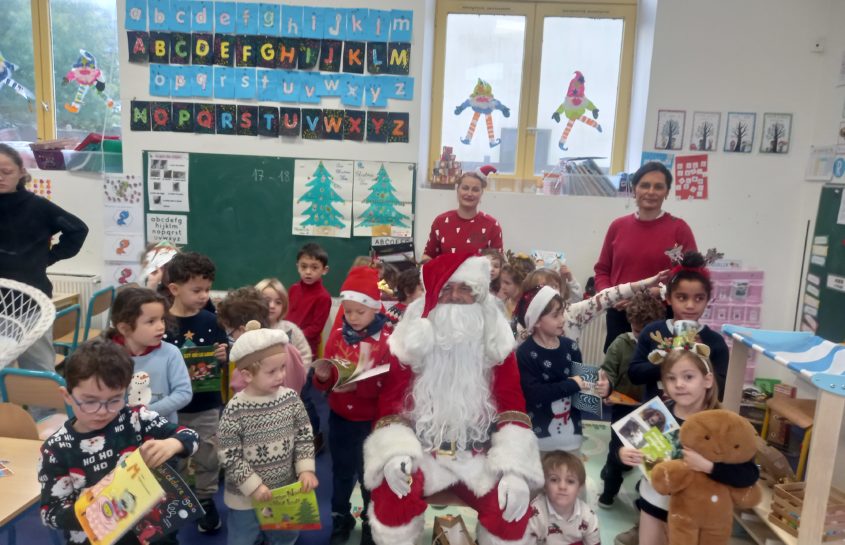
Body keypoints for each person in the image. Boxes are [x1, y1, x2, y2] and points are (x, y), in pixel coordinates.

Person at [363, 254, 543, 545]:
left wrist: (514, 469)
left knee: (509, 508)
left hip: (478, 457)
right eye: (446, 289)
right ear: (433, 294)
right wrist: (395, 453)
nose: (456, 297)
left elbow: (513, 406)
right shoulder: (411, 339)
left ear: (479, 294)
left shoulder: (495, 341)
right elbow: (390, 405)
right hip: (423, 453)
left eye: (465, 289)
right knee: (391, 493)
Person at [38, 338, 198, 545]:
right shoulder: (56, 449)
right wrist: (95, 512)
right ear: (67, 396)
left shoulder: (136, 418)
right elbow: (50, 513)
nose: (103, 411)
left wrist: (172, 444)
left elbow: (191, 436)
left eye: (115, 400)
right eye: (90, 401)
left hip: (153, 533)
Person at [615, 347, 758, 545]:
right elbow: (632, 453)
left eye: (688, 377)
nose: (679, 384)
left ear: (707, 380)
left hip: (698, 517)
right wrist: (624, 454)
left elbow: (749, 474)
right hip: (654, 504)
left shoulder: (725, 423)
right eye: (671, 378)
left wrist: (708, 466)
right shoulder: (656, 414)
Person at [219, 323, 318, 545]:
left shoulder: (291, 399)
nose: (281, 375)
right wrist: (254, 486)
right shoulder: (236, 409)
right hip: (245, 498)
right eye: (272, 371)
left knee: (284, 537)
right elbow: (229, 454)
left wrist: (305, 469)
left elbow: (304, 435)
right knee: (242, 538)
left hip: (285, 491)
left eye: (283, 367)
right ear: (247, 374)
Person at [313, 266, 391, 545]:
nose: (354, 318)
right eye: (348, 312)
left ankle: (371, 522)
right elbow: (328, 376)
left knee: (370, 475)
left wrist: (358, 387)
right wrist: (323, 379)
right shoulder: (337, 337)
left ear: (374, 309)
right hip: (339, 418)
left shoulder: (385, 342)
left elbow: (388, 385)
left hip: (369, 422)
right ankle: (340, 516)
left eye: (361, 311)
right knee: (342, 472)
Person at [0, 143, 88, 374]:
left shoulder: (38, 207)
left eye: (6, 172)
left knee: (39, 370)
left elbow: (78, 229)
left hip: (32, 305)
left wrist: (49, 257)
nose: (0, 178)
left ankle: (46, 412)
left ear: (21, 172)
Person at [593, 161, 697, 350]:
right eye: (645, 185)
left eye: (658, 187)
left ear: (666, 192)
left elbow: (692, 276)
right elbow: (602, 270)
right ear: (634, 189)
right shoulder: (618, 226)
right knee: (617, 373)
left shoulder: (679, 229)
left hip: (660, 316)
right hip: (620, 315)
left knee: (656, 371)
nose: (651, 191)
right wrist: (611, 296)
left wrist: (654, 293)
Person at [161, 251, 228, 534]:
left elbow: (223, 355)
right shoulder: (161, 323)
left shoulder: (211, 321)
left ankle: (205, 498)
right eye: (197, 290)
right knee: (171, 457)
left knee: (208, 455)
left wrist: (225, 355)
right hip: (170, 408)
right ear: (174, 289)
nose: (204, 295)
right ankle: (174, 498)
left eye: (208, 289)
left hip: (206, 404)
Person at [515, 286, 609, 453]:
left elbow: (585, 391)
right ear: (536, 320)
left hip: (572, 437)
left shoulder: (570, 347)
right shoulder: (525, 353)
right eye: (555, 315)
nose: (563, 320)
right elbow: (534, 394)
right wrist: (573, 384)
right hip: (538, 441)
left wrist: (603, 389)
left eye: (562, 313)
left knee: (571, 477)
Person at [628, 251, 729, 402]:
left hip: (696, 418)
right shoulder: (652, 331)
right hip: (656, 417)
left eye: (699, 298)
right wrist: (669, 358)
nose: (690, 305)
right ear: (668, 298)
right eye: (682, 297)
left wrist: (700, 360)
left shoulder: (715, 342)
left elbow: (722, 389)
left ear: (707, 300)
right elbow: (634, 374)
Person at [598, 292, 666, 508]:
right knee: (616, 451)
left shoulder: (663, 348)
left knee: (651, 453)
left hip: (652, 411)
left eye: (647, 332)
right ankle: (609, 490)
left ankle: (645, 493)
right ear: (631, 323)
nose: (641, 337)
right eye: (637, 331)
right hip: (623, 408)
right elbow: (607, 370)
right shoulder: (622, 343)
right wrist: (606, 386)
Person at [518, 267, 669, 345]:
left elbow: (608, 296)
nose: (550, 292)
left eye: (554, 286)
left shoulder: (573, 313)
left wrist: (645, 284)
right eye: (543, 287)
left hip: (571, 386)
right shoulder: (522, 327)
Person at [107, 287, 192, 424]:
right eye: (151, 321)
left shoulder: (171, 353)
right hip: (122, 432)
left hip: (162, 432)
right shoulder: (107, 357)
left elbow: (183, 393)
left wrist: (146, 413)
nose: (160, 327)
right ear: (124, 328)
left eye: (162, 319)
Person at [216, 288, 307, 395]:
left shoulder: (246, 364)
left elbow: (240, 396)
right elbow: (301, 378)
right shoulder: (290, 349)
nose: (232, 338)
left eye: (231, 333)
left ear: (243, 330)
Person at [422, 167, 503, 261]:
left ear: (481, 193)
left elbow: (498, 263)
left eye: (475, 190)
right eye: (465, 188)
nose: (469, 193)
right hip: (445, 275)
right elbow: (428, 256)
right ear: (458, 190)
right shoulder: (441, 222)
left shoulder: (492, 226)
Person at [527, 451, 600, 545]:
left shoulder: (588, 517)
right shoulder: (535, 514)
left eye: (570, 481)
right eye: (554, 480)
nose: (562, 486)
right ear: (544, 485)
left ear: (579, 488)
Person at [287, 243, 332, 358]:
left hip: (305, 350)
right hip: (286, 345)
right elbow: (285, 314)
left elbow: (315, 329)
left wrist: (293, 336)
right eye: (304, 266)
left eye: (314, 267)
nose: (308, 272)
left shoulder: (323, 297)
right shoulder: (293, 289)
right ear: (297, 266)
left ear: (324, 270)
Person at [255, 278, 312, 366]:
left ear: (284, 306)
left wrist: (298, 376)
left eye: (278, 302)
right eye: (267, 301)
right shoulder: (250, 329)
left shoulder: (291, 329)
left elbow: (305, 356)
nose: (272, 306)